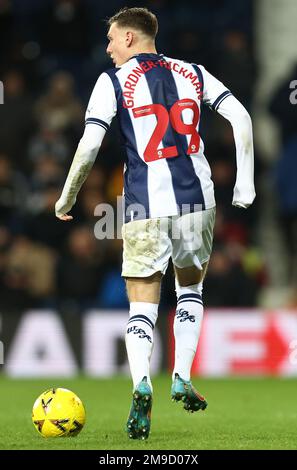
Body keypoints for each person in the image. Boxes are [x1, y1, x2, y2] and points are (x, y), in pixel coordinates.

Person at [55, 7, 255, 440]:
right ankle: (182, 373)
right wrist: (244, 187)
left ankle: (141, 381)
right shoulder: (194, 71)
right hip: (199, 201)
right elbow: (241, 116)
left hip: (146, 203)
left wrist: (66, 196)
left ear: (130, 37)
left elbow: (90, 144)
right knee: (191, 289)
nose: (107, 48)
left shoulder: (111, 81)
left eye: (111, 39)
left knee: (142, 302)